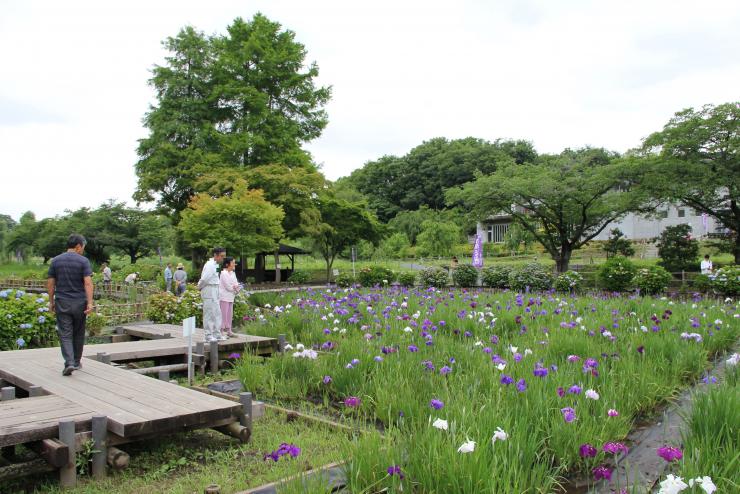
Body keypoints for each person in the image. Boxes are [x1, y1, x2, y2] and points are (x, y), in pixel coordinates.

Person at [47, 234, 94, 376]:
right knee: (79, 333)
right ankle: (76, 361)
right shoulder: (83, 261)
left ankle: (69, 363)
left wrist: (51, 301)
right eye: (83, 247)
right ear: (78, 246)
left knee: (65, 334)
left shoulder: (55, 261)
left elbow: (50, 283)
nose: (83, 250)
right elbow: (88, 282)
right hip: (80, 302)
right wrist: (90, 302)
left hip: (62, 301)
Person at [198, 247, 226, 342]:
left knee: (217, 312)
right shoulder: (209, 265)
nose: (223, 258)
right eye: (221, 256)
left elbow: (216, 277)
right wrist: (199, 287)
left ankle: (217, 333)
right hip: (209, 288)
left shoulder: (217, 265)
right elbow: (205, 279)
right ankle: (208, 335)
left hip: (215, 288)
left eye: (223, 256)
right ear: (215, 255)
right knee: (209, 313)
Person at [219, 257, 241, 337]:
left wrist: (236, 288)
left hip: (231, 296)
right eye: (232, 263)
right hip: (224, 297)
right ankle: (221, 331)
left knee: (229, 314)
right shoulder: (223, 273)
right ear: (227, 264)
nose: (234, 264)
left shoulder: (233, 273)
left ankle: (229, 330)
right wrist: (234, 287)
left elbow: (236, 283)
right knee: (223, 314)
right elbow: (228, 286)